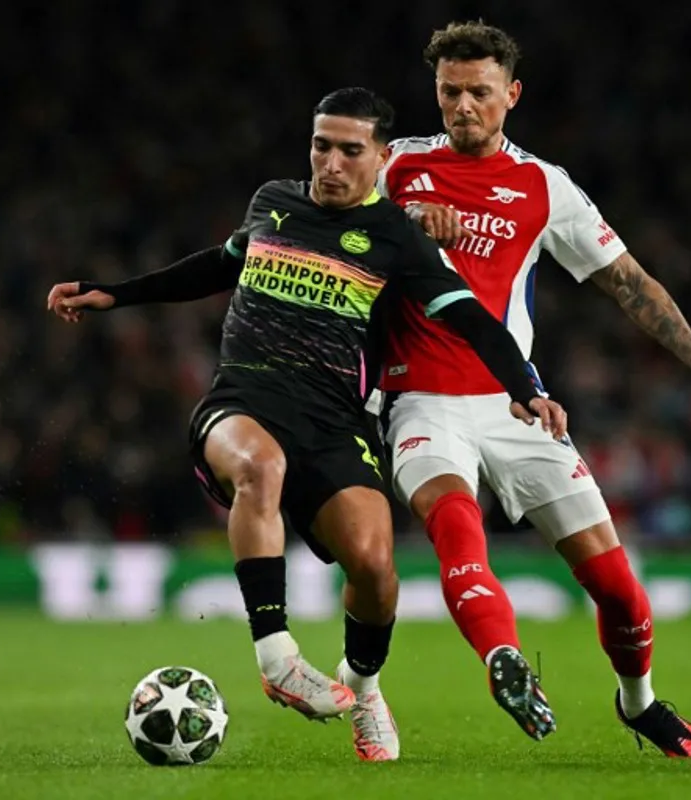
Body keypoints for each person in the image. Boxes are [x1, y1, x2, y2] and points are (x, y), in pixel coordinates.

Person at [48, 87, 567, 762]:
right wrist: (116, 293)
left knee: (377, 568)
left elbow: (470, 318)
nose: (331, 162)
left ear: (382, 158)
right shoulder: (274, 202)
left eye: (351, 150)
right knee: (260, 469)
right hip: (243, 400)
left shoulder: (397, 239)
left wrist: (525, 387)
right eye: (322, 144)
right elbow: (219, 265)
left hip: (333, 421)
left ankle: (365, 688)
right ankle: (278, 657)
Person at [374, 21, 691, 759]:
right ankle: (503, 660)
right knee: (457, 524)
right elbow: (323, 228)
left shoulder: (543, 186)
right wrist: (398, 221)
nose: (462, 106)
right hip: (419, 397)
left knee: (620, 590)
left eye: (479, 93)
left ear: (511, 96)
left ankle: (640, 703)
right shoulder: (394, 166)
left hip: (516, 402)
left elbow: (626, 281)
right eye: (449, 92)